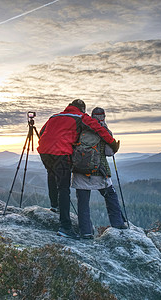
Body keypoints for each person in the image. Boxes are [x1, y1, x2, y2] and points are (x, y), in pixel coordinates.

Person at [38, 100, 120, 239]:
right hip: (62, 153)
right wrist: (113, 143)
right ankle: (65, 227)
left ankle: (54, 205)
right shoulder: (80, 117)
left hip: (44, 151)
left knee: (51, 174)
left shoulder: (54, 117)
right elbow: (99, 129)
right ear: (82, 109)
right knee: (63, 188)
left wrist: (50, 144)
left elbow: (42, 132)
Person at [72, 107, 127, 239]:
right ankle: (118, 224)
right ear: (103, 117)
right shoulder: (103, 131)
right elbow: (109, 152)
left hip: (79, 172)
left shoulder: (81, 128)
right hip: (99, 172)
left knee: (83, 203)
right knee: (111, 196)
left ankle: (86, 232)